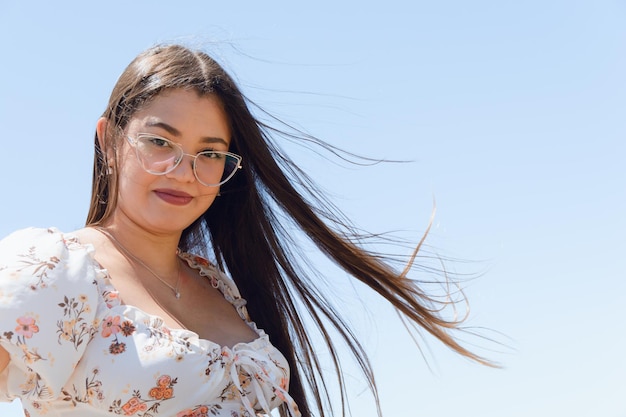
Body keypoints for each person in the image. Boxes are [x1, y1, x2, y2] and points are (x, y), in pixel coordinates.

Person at [0, 44, 491, 417]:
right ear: (109, 140)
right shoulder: (51, 268)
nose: (183, 170)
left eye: (209, 153)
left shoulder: (217, 286)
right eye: (159, 142)